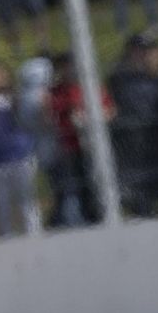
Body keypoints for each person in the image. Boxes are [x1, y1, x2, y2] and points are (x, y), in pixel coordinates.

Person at [106, 31, 158, 215]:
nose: (143, 55)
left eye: (148, 50)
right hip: (131, 144)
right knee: (139, 197)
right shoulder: (119, 79)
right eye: (138, 50)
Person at [0, 63, 42, 237]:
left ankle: (34, 236)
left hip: (20, 157)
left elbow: (29, 122)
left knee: (26, 202)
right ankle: (6, 238)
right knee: (2, 206)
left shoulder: (17, 98)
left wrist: (27, 145)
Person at [44, 53, 110, 227]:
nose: (69, 70)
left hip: (94, 146)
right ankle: (81, 219)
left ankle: (101, 216)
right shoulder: (56, 92)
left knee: (98, 184)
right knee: (76, 187)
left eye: (71, 65)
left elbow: (110, 109)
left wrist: (92, 118)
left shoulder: (91, 86)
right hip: (70, 148)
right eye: (64, 66)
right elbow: (50, 117)